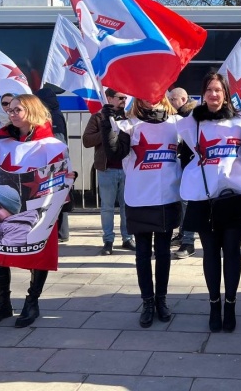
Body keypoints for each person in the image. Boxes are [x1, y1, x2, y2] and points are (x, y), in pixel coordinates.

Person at [177, 72, 241, 333]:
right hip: (204, 199)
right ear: (203, 93)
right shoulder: (192, 122)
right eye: (209, 90)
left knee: (232, 253)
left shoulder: (239, 120)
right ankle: (214, 305)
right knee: (211, 254)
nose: (213, 94)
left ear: (225, 94)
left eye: (218, 90)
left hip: (234, 197)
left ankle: (231, 305)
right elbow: (184, 155)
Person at [0, 94, 68, 328]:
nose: (12, 113)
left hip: (39, 210)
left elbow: (61, 175)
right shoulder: (1, 142)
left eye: (17, 109)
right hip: (3, 211)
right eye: (10, 109)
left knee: (38, 256)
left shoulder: (51, 145)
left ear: (32, 110)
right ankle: (3, 303)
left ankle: (32, 302)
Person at [102, 96, 182, 328]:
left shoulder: (176, 122)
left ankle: (161, 300)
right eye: (144, 96)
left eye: (154, 94)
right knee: (143, 254)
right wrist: (107, 123)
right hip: (139, 198)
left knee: (164, 253)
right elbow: (115, 154)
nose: (150, 99)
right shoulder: (130, 124)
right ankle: (147, 302)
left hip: (167, 197)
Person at [83, 88, 136, 255]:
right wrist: (107, 129)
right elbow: (86, 140)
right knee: (107, 207)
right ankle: (108, 240)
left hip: (127, 169)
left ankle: (128, 238)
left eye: (125, 98)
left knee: (127, 206)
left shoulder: (129, 117)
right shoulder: (98, 117)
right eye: (120, 98)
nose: (124, 101)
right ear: (109, 98)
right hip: (107, 169)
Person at [35, 87, 70, 242]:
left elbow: (57, 142)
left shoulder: (53, 116)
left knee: (56, 198)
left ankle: (60, 233)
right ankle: (61, 232)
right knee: (59, 197)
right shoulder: (55, 113)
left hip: (55, 165)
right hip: (57, 164)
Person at [168, 87, 197, 259]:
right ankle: (183, 234)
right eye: (170, 99)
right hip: (186, 165)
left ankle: (188, 242)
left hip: (192, 167)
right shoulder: (181, 115)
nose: (170, 103)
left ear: (183, 99)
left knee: (187, 203)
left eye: (173, 99)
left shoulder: (190, 116)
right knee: (182, 202)